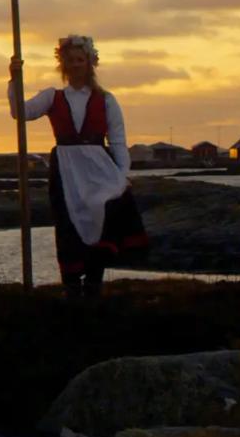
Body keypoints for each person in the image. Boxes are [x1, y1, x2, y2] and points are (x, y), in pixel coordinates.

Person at [10, 35, 148, 297]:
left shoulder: (106, 100)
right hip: (66, 170)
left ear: (90, 63)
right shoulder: (52, 97)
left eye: (80, 60)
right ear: (63, 64)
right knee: (67, 224)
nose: (75, 65)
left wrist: (121, 175)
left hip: (99, 170)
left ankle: (93, 284)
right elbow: (20, 112)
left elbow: (118, 141)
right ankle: (71, 286)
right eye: (70, 60)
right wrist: (15, 78)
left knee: (103, 218)